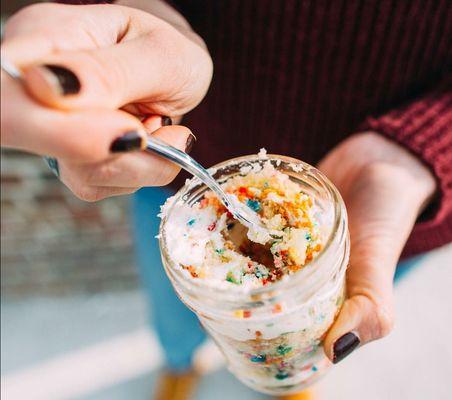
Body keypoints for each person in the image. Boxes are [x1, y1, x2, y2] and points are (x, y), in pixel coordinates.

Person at [1, 1, 451, 400]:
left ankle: (292, 382)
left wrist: (420, 150)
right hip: (178, 180)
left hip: (378, 204)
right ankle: (179, 364)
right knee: (174, 317)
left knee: (323, 329)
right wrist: (136, 21)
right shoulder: (184, 225)